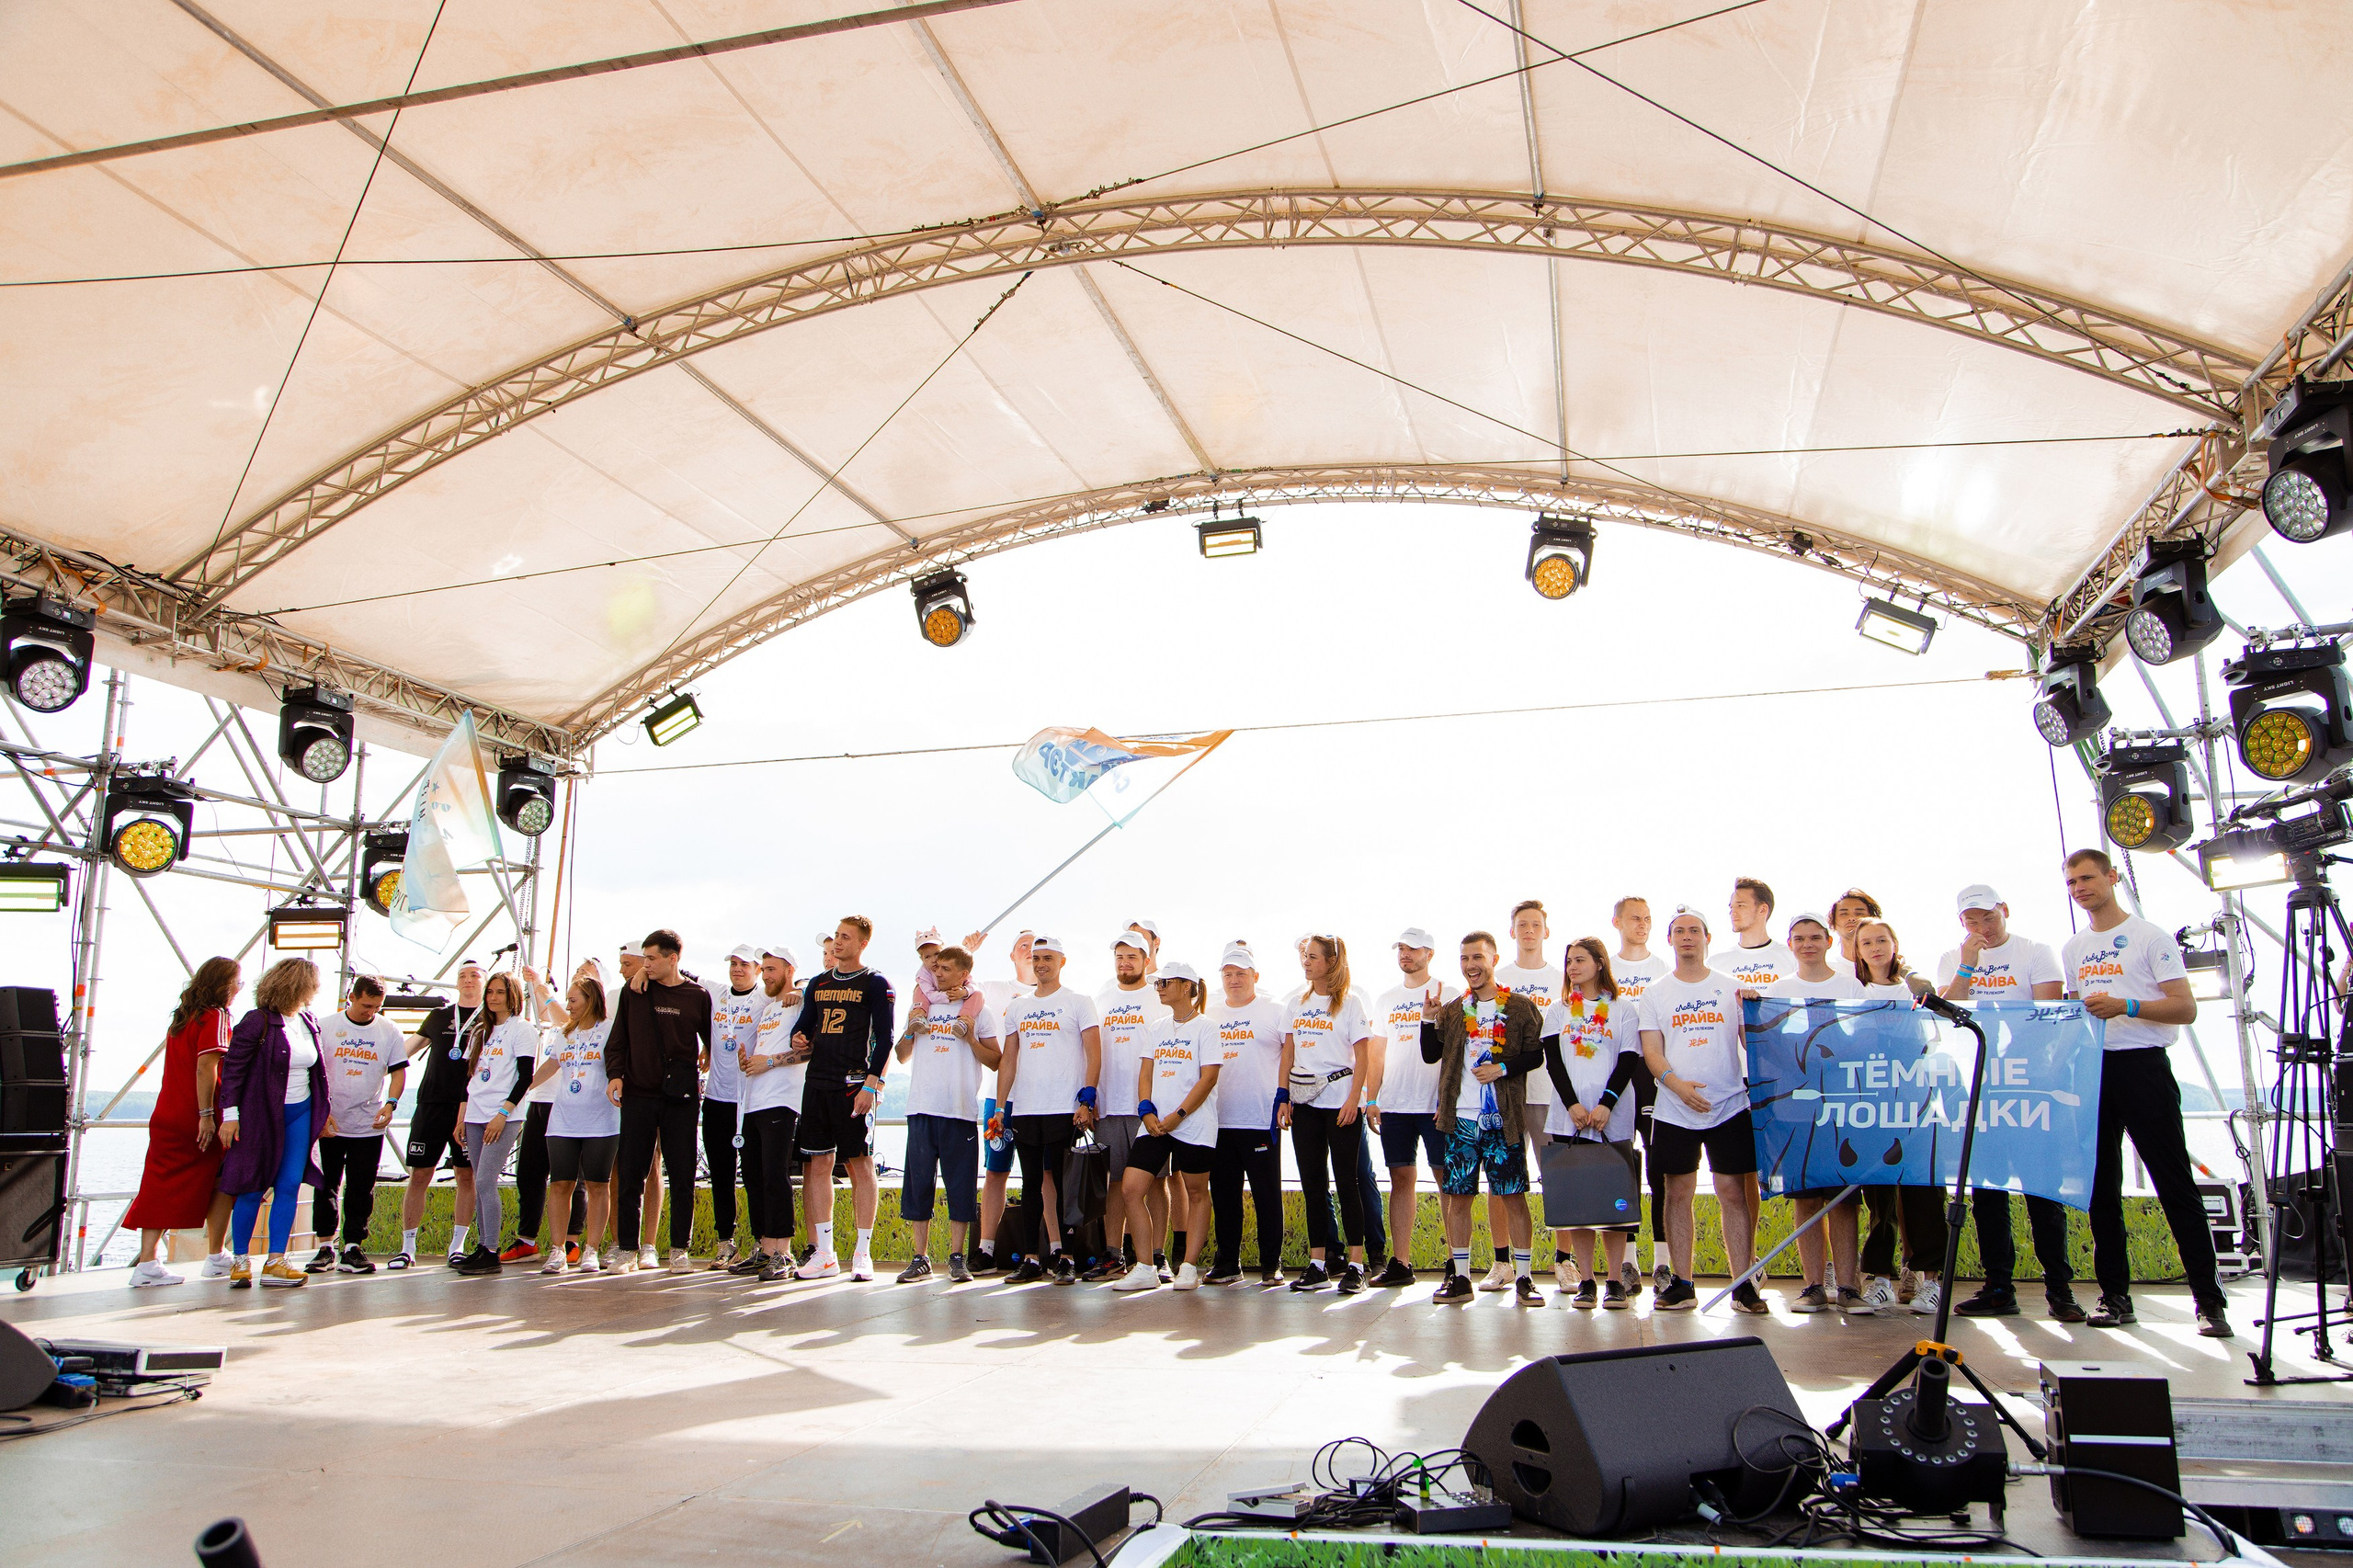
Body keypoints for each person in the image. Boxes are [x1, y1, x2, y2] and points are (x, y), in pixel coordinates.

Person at [2062, 849, 2233, 1338]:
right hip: (2095, 1070)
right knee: (2101, 1191)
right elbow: (2075, 1010)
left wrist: (2126, 1005)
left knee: (2174, 1183)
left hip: (2144, 1066)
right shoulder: (2074, 947)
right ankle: (2115, 1296)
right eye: (2072, 882)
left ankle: (2209, 1301)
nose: (2080, 888)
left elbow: (2185, 1008)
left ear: (2112, 877)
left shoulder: (2149, 937)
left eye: (2088, 878)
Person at [1934, 885, 2084, 1324]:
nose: (1981, 927)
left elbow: (2048, 1009)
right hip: (1981, 1087)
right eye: (1971, 921)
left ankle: (2060, 1289)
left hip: (2030, 1087)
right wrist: (1967, 962)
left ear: (2004, 911)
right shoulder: (1954, 956)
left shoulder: (2036, 951)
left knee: (2042, 1189)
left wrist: (2022, 1060)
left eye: (1988, 918)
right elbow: (1948, 1011)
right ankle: (1999, 1285)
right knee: (1988, 1191)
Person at [1641, 907, 1764, 1313]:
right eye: (1680, 931)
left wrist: (1757, 1010)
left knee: (1733, 1192)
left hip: (1729, 1104)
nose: (1687, 936)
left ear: (1708, 938)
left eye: (1695, 930)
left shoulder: (1733, 988)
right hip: (1675, 1109)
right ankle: (1682, 1283)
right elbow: (1652, 1053)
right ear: (1670, 940)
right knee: (1677, 1193)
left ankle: (1744, 1286)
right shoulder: (1656, 993)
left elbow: (1755, 1043)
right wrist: (1677, 1086)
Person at [1420, 931, 1545, 1306]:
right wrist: (1427, 1020)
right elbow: (1431, 1055)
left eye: (1477, 957)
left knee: (1512, 1197)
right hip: (1460, 1120)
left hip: (1502, 1119)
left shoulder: (1520, 1007)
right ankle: (1460, 1278)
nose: (1471, 966)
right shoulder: (1455, 1009)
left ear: (1493, 958)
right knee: (1458, 1197)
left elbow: (1536, 1056)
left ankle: (1524, 1279)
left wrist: (1502, 1068)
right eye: (1464, 959)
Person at [1759, 915, 1867, 1316]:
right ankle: (1812, 1286)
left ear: (1828, 941)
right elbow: (1767, 1044)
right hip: (1797, 1106)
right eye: (1799, 938)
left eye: (1815, 937)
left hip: (1842, 1103)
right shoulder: (1779, 990)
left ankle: (1850, 1288)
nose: (1808, 944)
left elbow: (1862, 1037)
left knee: (1842, 1198)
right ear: (1790, 944)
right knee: (1805, 1198)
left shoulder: (1849, 985)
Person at [125, 957, 243, 1286]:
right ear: (224, 985)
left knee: (159, 1184)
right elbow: (206, 1067)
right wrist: (207, 1115)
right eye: (237, 983)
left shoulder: (182, 1017)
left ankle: (148, 1261)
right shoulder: (216, 1016)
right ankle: (216, 1255)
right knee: (223, 1180)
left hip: (167, 1112)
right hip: (197, 1114)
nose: (237, 990)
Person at [1850, 918, 1947, 1312]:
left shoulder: (1914, 986)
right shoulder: (1854, 990)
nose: (1875, 948)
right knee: (1879, 1198)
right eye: (1866, 942)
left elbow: (1931, 998)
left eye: (1882, 940)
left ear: (1894, 944)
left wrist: (1908, 973)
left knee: (1923, 1191)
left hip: (1917, 1098)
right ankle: (1880, 1279)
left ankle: (1931, 1280)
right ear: (1856, 950)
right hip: (1871, 1102)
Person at [216, 958, 330, 1290]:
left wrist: (325, 1113)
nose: (317, 989)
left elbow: (317, 1072)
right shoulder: (258, 1021)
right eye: (314, 983)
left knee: (290, 1183)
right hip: (260, 1113)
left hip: (301, 1111)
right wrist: (230, 1116)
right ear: (298, 985)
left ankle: (276, 1260)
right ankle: (240, 1260)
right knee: (252, 1184)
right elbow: (233, 1070)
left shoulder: (309, 1021)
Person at [792, 917, 895, 1281]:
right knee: (817, 1166)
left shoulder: (876, 983)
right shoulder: (818, 983)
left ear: (863, 943)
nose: (837, 942)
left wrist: (871, 1084)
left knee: (859, 1164)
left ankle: (863, 1253)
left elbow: (886, 1038)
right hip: (817, 1082)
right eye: (836, 936)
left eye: (845, 937)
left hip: (853, 1083)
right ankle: (824, 1252)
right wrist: (799, 1038)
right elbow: (804, 1024)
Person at [1541, 937, 1642, 1308]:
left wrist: (1605, 1105)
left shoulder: (1623, 1009)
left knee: (1613, 1202)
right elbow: (1553, 1061)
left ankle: (1615, 1280)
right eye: (1568, 961)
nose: (1572, 967)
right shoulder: (1559, 1010)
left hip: (1610, 1120)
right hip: (1570, 1120)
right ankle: (1586, 1280)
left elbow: (1629, 1059)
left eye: (1580, 960)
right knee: (1580, 1202)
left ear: (1600, 963)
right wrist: (1572, 1106)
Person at [606, 930, 713, 1274]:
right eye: (644, 959)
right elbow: (617, 1038)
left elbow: (712, 1036)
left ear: (673, 959)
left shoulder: (697, 995)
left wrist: (710, 1050)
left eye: (651, 959)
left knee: (682, 1174)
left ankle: (679, 1249)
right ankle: (627, 1250)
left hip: (680, 1096)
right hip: (638, 1092)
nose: (645, 964)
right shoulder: (634, 990)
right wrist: (615, 1074)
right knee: (630, 1174)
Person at [997, 935, 1102, 1285]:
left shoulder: (1078, 1001)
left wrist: (1087, 1101)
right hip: (1026, 1109)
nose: (1041, 963)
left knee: (1063, 1185)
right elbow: (1009, 1059)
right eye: (1036, 957)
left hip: (1065, 1109)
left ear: (1062, 961)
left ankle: (1067, 1258)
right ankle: (1031, 1258)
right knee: (1029, 1185)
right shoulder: (1017, 1007)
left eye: (1048, 958)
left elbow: (1093, 1052)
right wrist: (1001, 1107)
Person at [895, 944, 1002, 1283]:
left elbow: (997, 1060)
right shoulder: (921, 1005)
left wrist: (971, 1040)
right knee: (918, 1186)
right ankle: (920, 1257)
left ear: (963, 975)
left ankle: (957, 1258)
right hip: (921, 1108)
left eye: (944, 969)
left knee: (960, 1187)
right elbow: (900, 1056)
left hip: (959, 1112)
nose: (936, 973)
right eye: (935, 968)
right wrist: (912, 1030)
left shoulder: (978, 1010)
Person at [1114, 962, 1222, 1292]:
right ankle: (1145, 1267)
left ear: (1188, 987)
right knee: (1131, 1188)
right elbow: (1146, 1072)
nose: (1158, 987)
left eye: (1166, 982)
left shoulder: (1207, 1027)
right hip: (1155, 1124)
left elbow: (1209, 1077)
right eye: (1158, 983)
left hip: (1193, 1124)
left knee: (1196, 1192)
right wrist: (1146, 1110)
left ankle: (1189, 1267)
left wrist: (1180, 1114)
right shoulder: (1157, 1027)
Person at [1283, 934, 1373, 1293]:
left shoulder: (1350, 1005)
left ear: (1332, 962)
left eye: (1314, 957)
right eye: (1305, 956)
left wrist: (1355, 1100)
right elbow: (1288, 1055)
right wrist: (1283, 1098)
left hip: (1341, 1104)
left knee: (1347, 1182)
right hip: (1303, 1105)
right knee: (1313, 1185)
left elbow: (1363, 1057)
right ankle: (1317, 1263)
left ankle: (1356, 1265)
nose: (1306, 962)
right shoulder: (1295, 1003)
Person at [1368, 928, 1455, 1287]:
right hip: (1395, 1104)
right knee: (1401, 1178)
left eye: (1412, 949)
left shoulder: (1447, 993)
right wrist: (1372, 1098)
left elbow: (1454, 1052)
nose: (1405, 954)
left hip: (1434, 1103)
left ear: (1429, 954)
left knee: (1446, 1179)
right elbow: (1376, 1052)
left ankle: (1456, 1263)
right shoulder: (1387, 998)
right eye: (1401, 948)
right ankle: (1401, 1263)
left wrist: (1448, 1100)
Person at [305, 975, 406, 1275]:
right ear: (352, 996)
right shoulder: (326, 1026)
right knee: (326, 1184)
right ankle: (325, 1246)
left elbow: (398, 1072)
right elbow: (314, 1072)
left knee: (362, 1186)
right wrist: (320, 1111)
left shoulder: (388, 1030)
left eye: (376, 1006)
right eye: (365, 1005)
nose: (370, 1012)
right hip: (330, 1120)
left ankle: (353, 1246)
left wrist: (391, 1103)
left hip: (368, 1122)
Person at [1090, 931, 1172, 1281]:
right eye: (1120, 958)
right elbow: (1092, 1051)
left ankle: (1157, 1256)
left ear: (1146, 960)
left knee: (1156, 1182)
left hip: (1149, 1108)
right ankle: (1113, 1255)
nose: (1125, 964)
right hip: (1110, 1105)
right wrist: (1090, 1096)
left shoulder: (1158, 997)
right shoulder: (1103, 997)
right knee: (1115, 1182)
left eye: (1132, 958)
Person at [1207, 946, 1289, 1286]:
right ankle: (1228, 1263)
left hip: (1259, 1119)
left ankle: (1272, 1263)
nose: (1234, 980)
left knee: (1266, 1194)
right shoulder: (1209, 1012)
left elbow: (1291, 1053)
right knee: (1224, 1195)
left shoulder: (1275, 1011)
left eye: (1241, 973)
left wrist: (1285, 1097)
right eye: (1228, 974)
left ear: (1255, 976)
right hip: (1218, 1120)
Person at [523, 974, 614, 1274]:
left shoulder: (610, 1029)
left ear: (590, 1000)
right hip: (563, 1120)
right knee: (560, 1183)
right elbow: (551, 1065)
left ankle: (591, 1249)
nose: (569, 1006)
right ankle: (558, 1250)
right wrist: (520, 1089)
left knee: (597, 1185)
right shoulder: (564, 1033)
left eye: (573, 1000)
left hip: (601, 1120)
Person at [1491, 901, 1561, 1290]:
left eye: (1536, 924)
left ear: (1546, 932)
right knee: (1501, 1181)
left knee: (1557, 1178)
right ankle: (1502, 1263)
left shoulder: (1562, 978)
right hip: (1506, 1098)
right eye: (1522, 925)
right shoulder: (1497, 979)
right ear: (1512, 931)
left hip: (1550, 1095)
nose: (1529, 930)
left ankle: (1565, 1261)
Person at [395, 960, 483, 1270]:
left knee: (466, 1176)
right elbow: (405, 1049)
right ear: (456, 983)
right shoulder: (439, 1016)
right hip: (431, 1104)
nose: (468, 979)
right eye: (463, 975)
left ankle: (457, 1246)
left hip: (470, 1108)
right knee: (419, 1174)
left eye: (475, 975)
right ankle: (407, 1248)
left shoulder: (491, 1018)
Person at [449, 973, 536, 1276]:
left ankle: (491, 1250)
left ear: (513, 996)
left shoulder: (523, 1029)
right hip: (474, 1113)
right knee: (477, 1181)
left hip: (502, 1115)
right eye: (490, 992)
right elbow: (469, 1077)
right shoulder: (480, 1032)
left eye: (500, 992)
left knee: (486, 1181)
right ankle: (482, 1247)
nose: (493, 997)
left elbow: (526, 1076)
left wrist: (503, 1112)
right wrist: (462, 1117)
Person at [736, 943, 808, 1282]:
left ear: (789, 971)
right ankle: (764, 1249)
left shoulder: (800, 1002)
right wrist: (750, 1061)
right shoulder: (768, 1007)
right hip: (753, 1100)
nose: (765, 976)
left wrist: (771, 1062)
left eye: (772, 970)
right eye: (763, 970)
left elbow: (808, 1052)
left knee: (775, 1174)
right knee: (753, 1175)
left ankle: (784, 1252)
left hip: (781, 1099)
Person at [507, 964, 587, 1266]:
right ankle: (526, 1239)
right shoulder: (552, 1021)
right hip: (539, 1101)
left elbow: (563, 1017)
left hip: (566, 1104)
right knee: (529, 1172)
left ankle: (571, 1241)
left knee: (568, 1177)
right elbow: (551, 1019)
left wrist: (541, 985)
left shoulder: (585, 1022)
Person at [1609, 896, 1668, 1297]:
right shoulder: (1605, 969)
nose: (1642, 924)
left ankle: (1663, 1262)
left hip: (1653, 1078)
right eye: (1635, 918)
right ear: (1617, 922)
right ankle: (1627, 1262)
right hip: (1616, 1076)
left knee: (1659, 1167)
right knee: (1621, 1165)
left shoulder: (1663, 969)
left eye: (1648, 919)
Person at [971, 929, 1035, 1274]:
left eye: (1035, 946)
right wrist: (968, 949)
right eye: (1022, 945)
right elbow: (957, 979)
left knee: (1043, 1176)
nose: (1029, 951)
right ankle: (986, 1248)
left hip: (1040, 1100)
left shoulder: (1053, 995)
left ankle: (1041, 1250)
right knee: (996, 1172)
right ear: (1011, 955)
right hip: (1000, 1098)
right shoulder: (993, 989)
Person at [700, 944, 763, 1271]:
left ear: (757, 969)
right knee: (721, 1175)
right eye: (733, 963)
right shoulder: (717, 992)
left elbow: (798, 989)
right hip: (717, 1098)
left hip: (751, 1100)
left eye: (745, 964)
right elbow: (681, 972)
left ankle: (761, 1243)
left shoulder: (766, 997)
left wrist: (796, 990)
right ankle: (726, 1243)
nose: (737, 969)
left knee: (754, 1175)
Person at [1711, 877, 1795, 991]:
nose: (1733, 912)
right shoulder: (1716, 964)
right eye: (1732, 907)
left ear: (1762, 910)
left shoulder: (1792, 959)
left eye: (1740, 906)